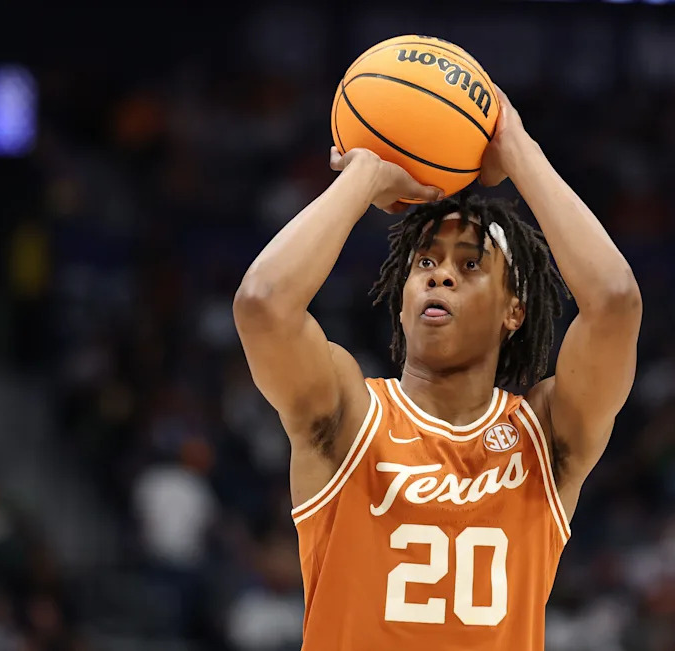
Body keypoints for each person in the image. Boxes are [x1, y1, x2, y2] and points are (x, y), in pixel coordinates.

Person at [233, 88, 642, 650]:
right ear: (401, 298)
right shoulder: (350, 415)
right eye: (425, 261)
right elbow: (261, 304)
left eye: (470, 264)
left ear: (513, 311)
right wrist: (364, 178)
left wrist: (519, 151)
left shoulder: (546, 435)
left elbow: (616, 302)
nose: (439, 275)